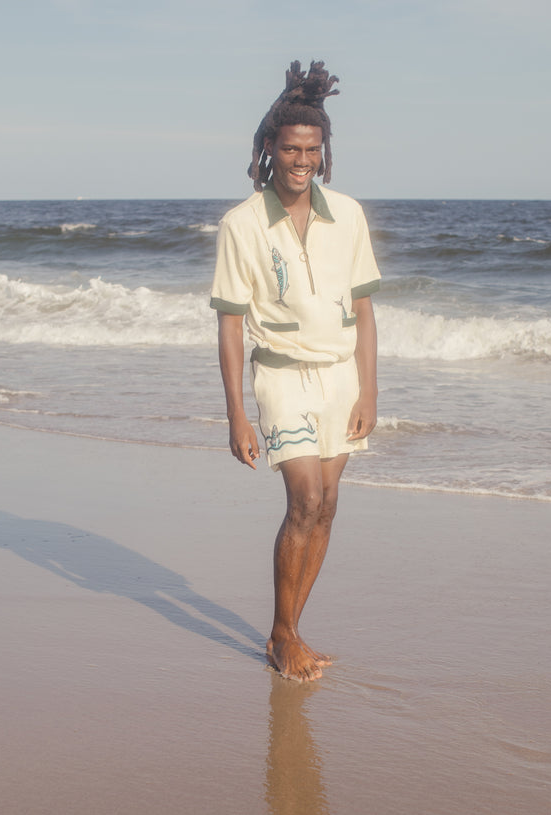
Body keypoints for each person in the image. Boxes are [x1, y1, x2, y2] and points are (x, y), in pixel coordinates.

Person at [210, 60, 380, 683]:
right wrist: (236, 415)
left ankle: (289, 629)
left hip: (342, 378)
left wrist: (370, 390)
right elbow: (230, 324)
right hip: (280, 377)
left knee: (328, 504)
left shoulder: (351, 216)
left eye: (312, 149)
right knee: (304, 498)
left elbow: (364, 310)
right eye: (290, 148)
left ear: (324, 153)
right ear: (269, 150)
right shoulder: (241, 224)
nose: (301, 159)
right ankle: (284, 636)